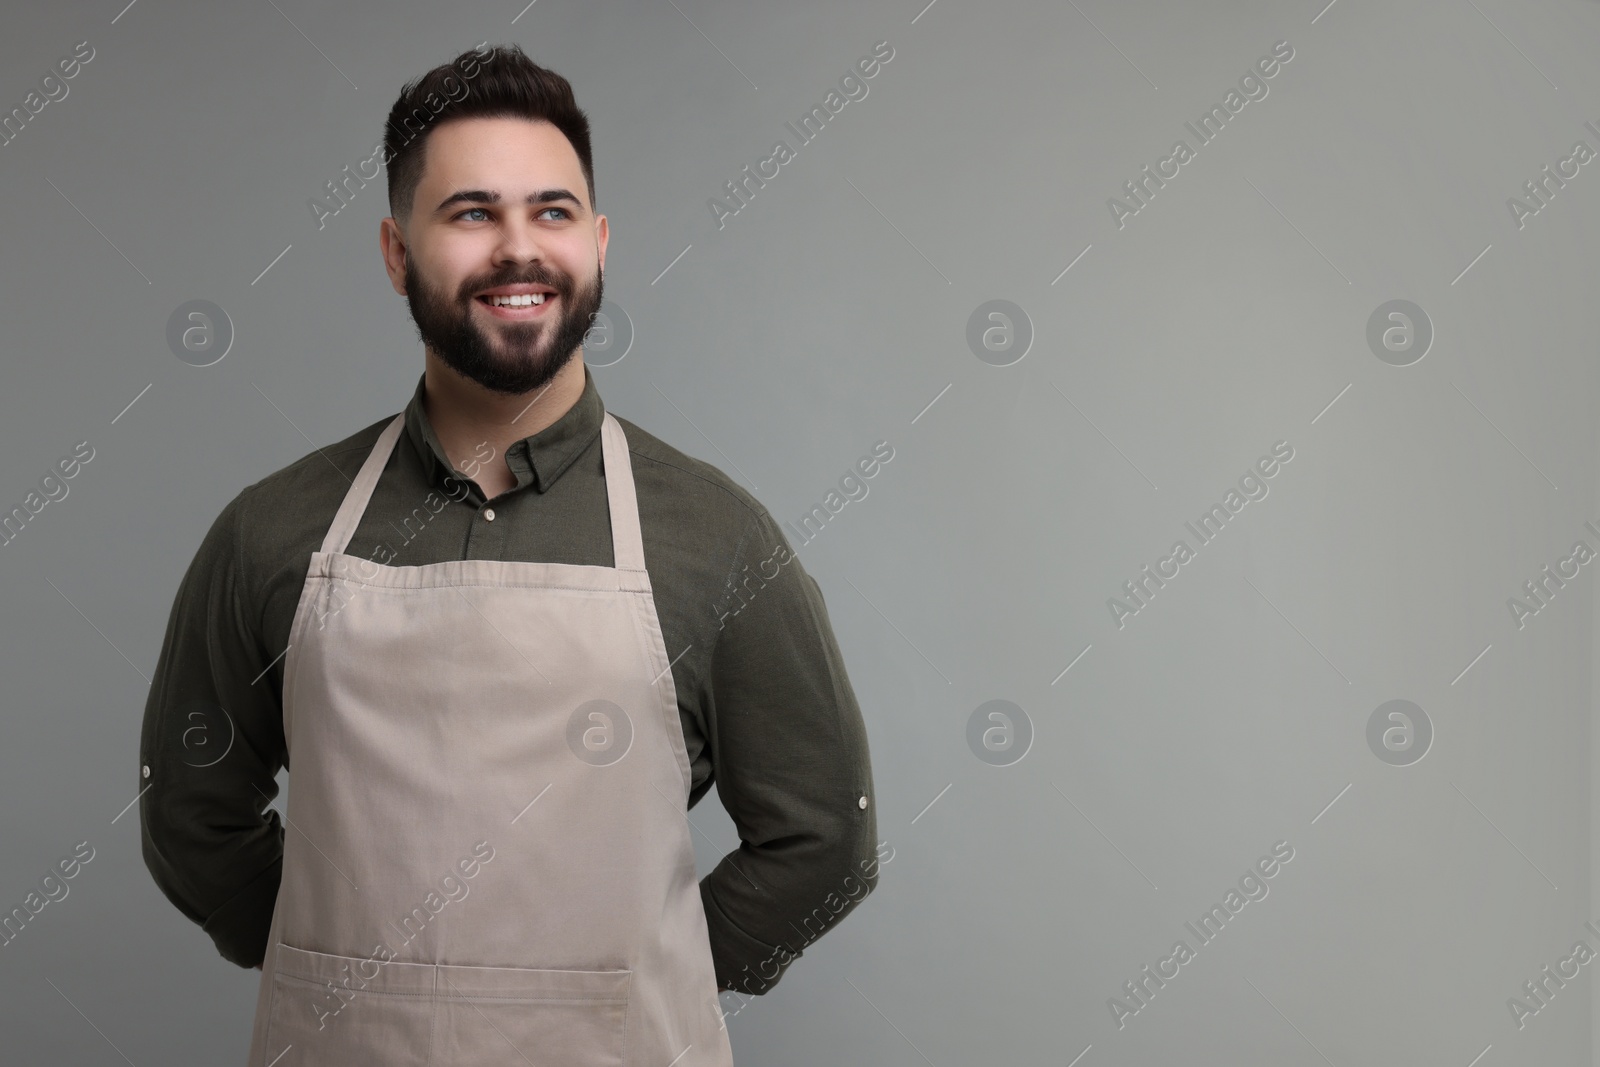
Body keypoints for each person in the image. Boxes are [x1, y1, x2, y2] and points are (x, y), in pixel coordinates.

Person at [137, 42, 877, 1065]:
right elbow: (190, 810)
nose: (518, 249)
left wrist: (636, 977)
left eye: (553, 211)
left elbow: (825, 841)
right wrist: (338, 963)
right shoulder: (272, 531)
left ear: (599, 243)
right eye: (471, 212)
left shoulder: (717, 536)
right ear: (397, 252)